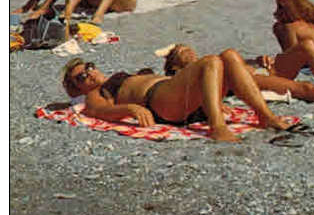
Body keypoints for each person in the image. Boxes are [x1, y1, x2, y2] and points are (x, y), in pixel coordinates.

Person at [60, 54, 294, 142]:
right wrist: (131, 108)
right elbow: (98, 112)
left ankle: (266, 116)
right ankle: (217, 126)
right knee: (211, 61)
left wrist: (213, 99)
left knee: (230, 56)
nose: (89, 73)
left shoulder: (116, 76)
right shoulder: (93, 95)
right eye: (81, 76)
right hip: (161, 102)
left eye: (89, 67)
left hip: (179, 96)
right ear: (77, 88)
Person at [162, 43, 314, 105]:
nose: (189, 50)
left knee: (306, 46)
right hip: (251, 80)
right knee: (304, 89)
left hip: (263, 69)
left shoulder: (206, 62)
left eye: (187, 47)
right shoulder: (187, 76)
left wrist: (258, 60)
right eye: (182, 51)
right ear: (174, 67)